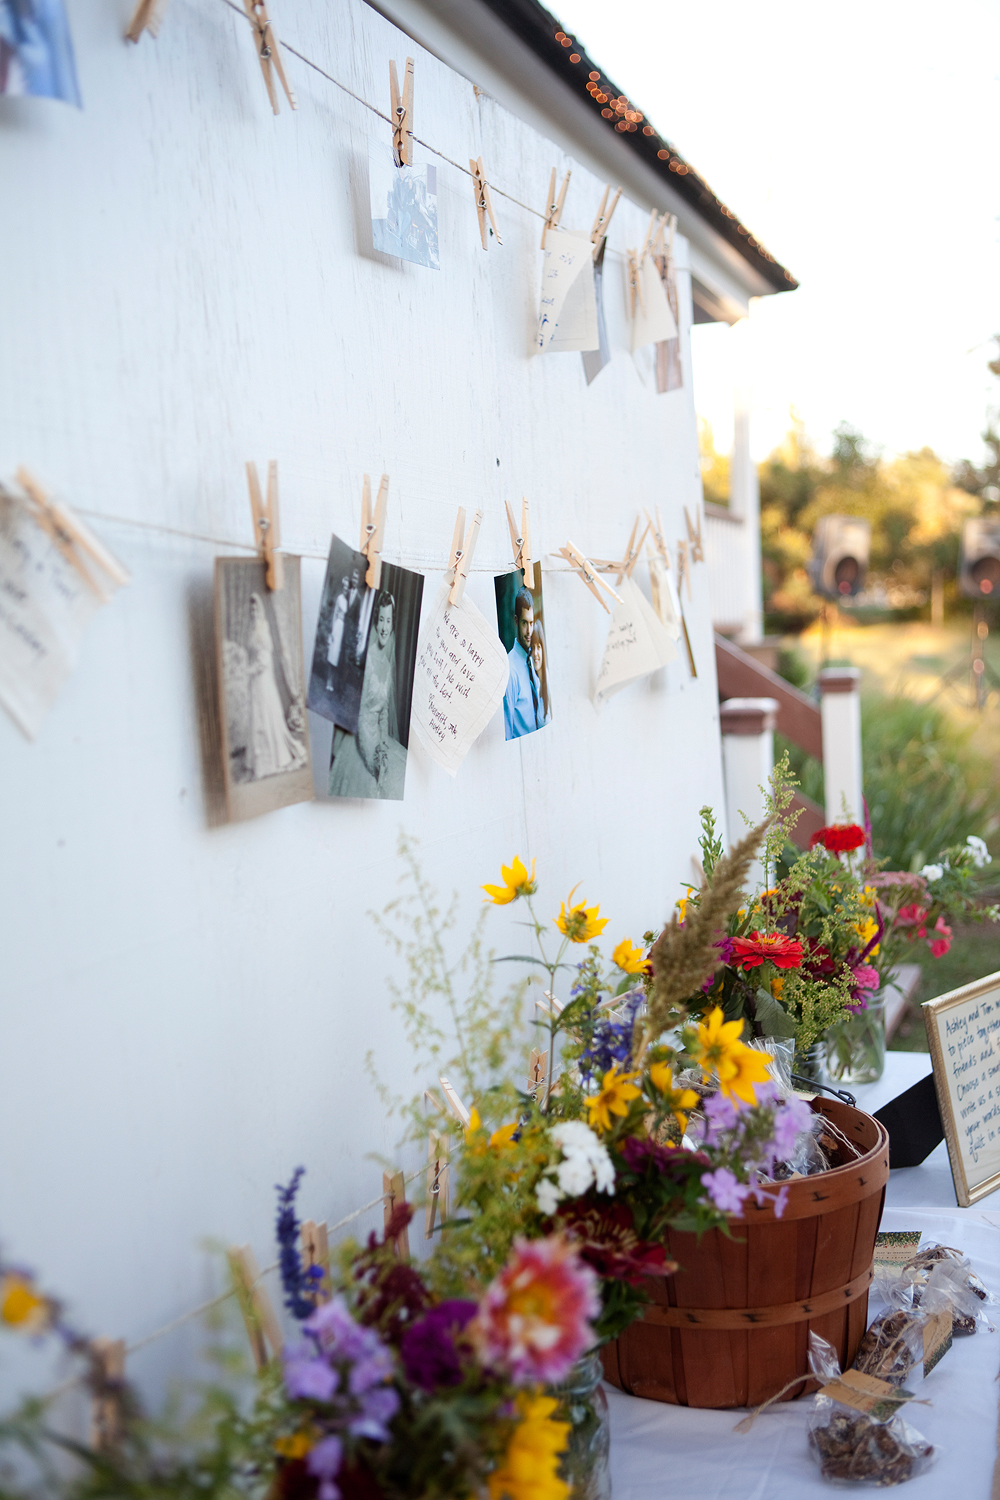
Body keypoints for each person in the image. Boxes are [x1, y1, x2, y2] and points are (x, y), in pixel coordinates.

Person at [328, 590, 406, 800]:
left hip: (378, 737)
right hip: (360, 737)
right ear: (376, 622)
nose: (384, 627)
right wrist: (372, 758)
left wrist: (383, 746)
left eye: (388, 621)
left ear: (392, 625)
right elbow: (362, 714)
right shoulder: (367, 661)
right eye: (381, 619)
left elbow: (384, 712)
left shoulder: (388, 666)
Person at [246, 593, 306, 780]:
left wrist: (249, 670)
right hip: (256, 680)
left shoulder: (263, 628)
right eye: (252, 609)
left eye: (256, 608)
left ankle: (275, 756)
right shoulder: (253, 628)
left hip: (262, 677)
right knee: (258, 715)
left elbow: (263, 660)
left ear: (261, 609)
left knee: (266, 714)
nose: (254, 611)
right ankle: (258, 758)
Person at [502, 586, 545, 740]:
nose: (529, 631)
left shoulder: (533, 661)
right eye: (524, 623)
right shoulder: (509, 670)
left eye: (531, 623)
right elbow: (507, 730)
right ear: (516, 621)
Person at [529, 619, 551, 725]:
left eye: (538, 647)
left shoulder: (549, 683)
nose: (535, 653)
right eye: (533, 648)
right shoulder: (537, 683)